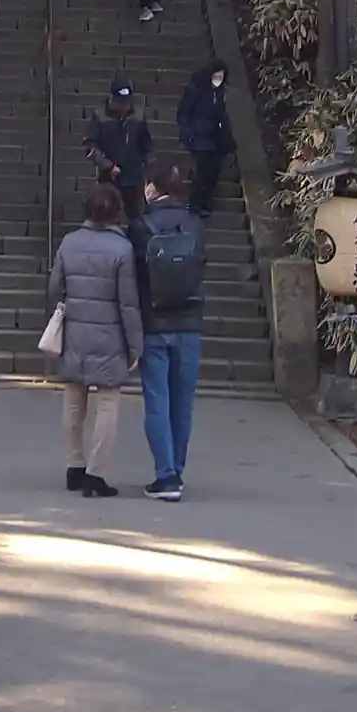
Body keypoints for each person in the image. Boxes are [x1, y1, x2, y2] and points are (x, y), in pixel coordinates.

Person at [47, 182, 142, 498]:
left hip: (75, 330)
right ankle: (96, 473)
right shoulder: (122, 249)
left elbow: (54, 287)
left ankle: (74, 464)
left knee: (73, 398)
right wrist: (135, 345)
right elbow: (128, 303)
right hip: (109, 335)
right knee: (108, 401)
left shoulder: (69, 242)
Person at [129, 156, 207, 499]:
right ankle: (177, 469)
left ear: (150, 187)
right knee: (183, 403)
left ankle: (166, 475)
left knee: (157, 401)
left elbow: (135, 277)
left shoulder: (141, 226)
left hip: (154, 324)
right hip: (189, 322)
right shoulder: (195, 223)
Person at [84, 78, 153, 222]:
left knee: (136, 217)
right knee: (106, 215)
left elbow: (147, 145)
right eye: (120, 102)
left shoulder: (138, 116)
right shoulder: (100, 116)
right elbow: (90, 146)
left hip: (134, 176)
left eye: (126, 103)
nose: (124, 106)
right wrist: (107, 166)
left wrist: (150, 166)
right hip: (109, 177)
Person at [177, 60, 236, 218]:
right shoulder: (196, 90)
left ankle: (205, 202)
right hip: (200, 137)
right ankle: (195, 202)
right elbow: (184, 113)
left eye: (221, 77)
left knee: (214, 171)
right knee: (202, 170)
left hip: (216, 138)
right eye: (216, 76)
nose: (218, 80)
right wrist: (188, 134)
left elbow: (222, 116)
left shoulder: (219, 93)